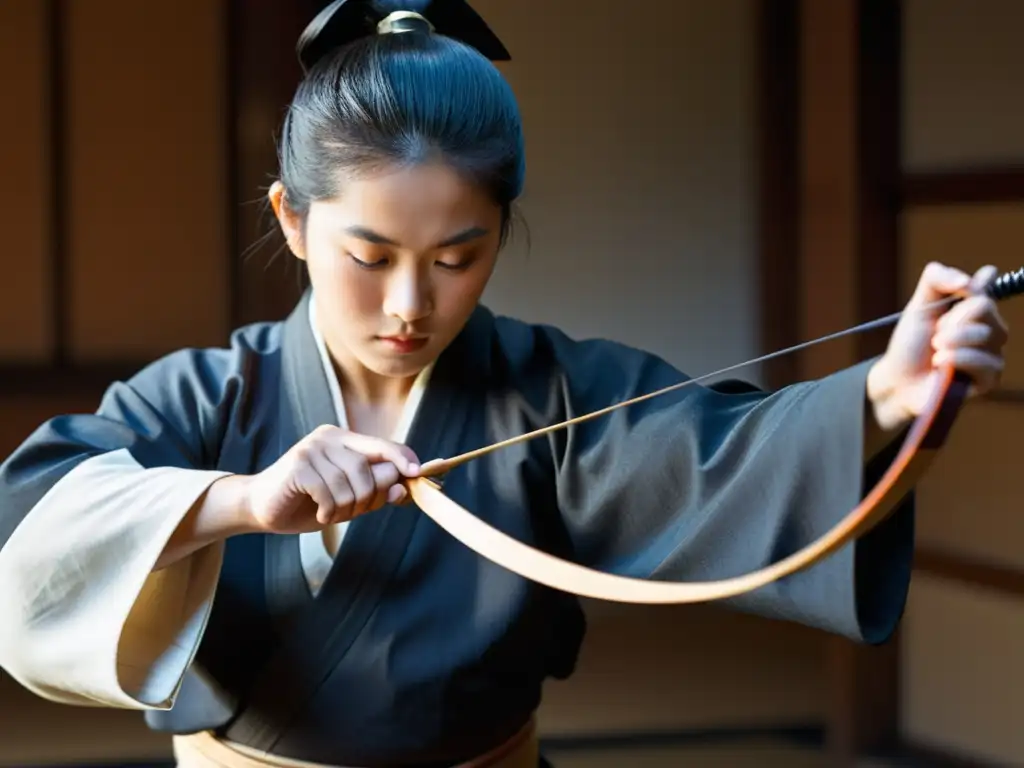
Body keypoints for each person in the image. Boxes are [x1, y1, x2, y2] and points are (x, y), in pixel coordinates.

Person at [0, 1, 1010, 766]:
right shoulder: (205, 397)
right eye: (370, 253)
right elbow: (28, 523)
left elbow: (715, 457)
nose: (410, 302)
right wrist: (238, 501)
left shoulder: (552, 393)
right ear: (293, 219)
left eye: (456, 257)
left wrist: (882, 393)